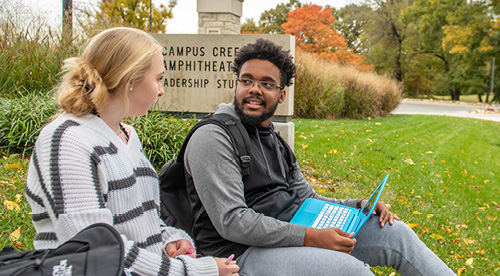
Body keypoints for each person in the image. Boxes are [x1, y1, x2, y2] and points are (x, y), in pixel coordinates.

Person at [183, 38, 456, 275]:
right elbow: (233, 221)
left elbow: (307, 199)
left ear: (281, 95)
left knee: (396, 234)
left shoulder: (275, 140)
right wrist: (311, 237)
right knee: (349, 271)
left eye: (266, 84)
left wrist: (359, 204)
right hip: (240, 253)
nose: (254, 89)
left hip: (294, 231)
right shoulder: (213, 137)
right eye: (246, 81)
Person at [25, 27, 239, 276]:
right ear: (130, 80)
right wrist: (194, 270)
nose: (161, 91)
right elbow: (92, 247)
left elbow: (140, 222)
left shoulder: (127, 135)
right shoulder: (67, 140)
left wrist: (168, 238)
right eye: (158, 78)